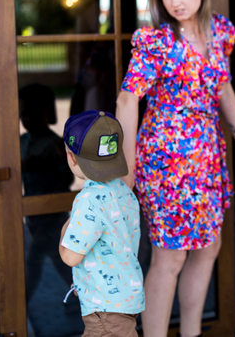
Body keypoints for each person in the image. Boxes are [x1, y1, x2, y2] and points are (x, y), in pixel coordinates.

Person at [116, 0, 235, 337]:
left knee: (208, 248)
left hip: (208, 159)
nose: (175, 2)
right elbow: (127, 99)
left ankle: (192, 333)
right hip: (165, 161)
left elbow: (223, 86)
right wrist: (127, 165)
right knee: (170, 258)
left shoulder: (221, 32)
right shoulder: (156, 41)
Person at [59, 110, 144, 337]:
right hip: (123, 300)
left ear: (71, 157)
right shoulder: (123, 191)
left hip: (105, 312)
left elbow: (70, 256)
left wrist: (66, 227)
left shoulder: (89, 200)